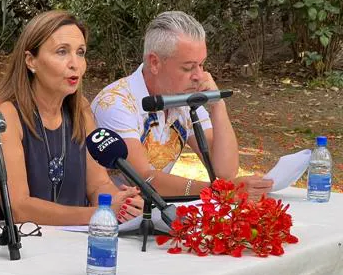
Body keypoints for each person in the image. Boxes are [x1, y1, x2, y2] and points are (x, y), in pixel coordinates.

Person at [0, 10, 143, 234]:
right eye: (62, 52)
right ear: (31, 61)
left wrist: (121, 202)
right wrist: (101, 213)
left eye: (81, 53)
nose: (75, 64)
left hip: (59, 242)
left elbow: (98, 184)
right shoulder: (3, 115)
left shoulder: (81, 110)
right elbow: (18, 208)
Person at [91, 11, 272, 200]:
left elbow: (225, 172)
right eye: (188, 67)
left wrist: (218, 105)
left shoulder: (182, 98)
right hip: (108, 217)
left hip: (152, 212)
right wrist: (220, 192)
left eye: (202, 65)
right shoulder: (116, 103)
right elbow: (143, 179)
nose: (199, 76)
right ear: (154, 63)